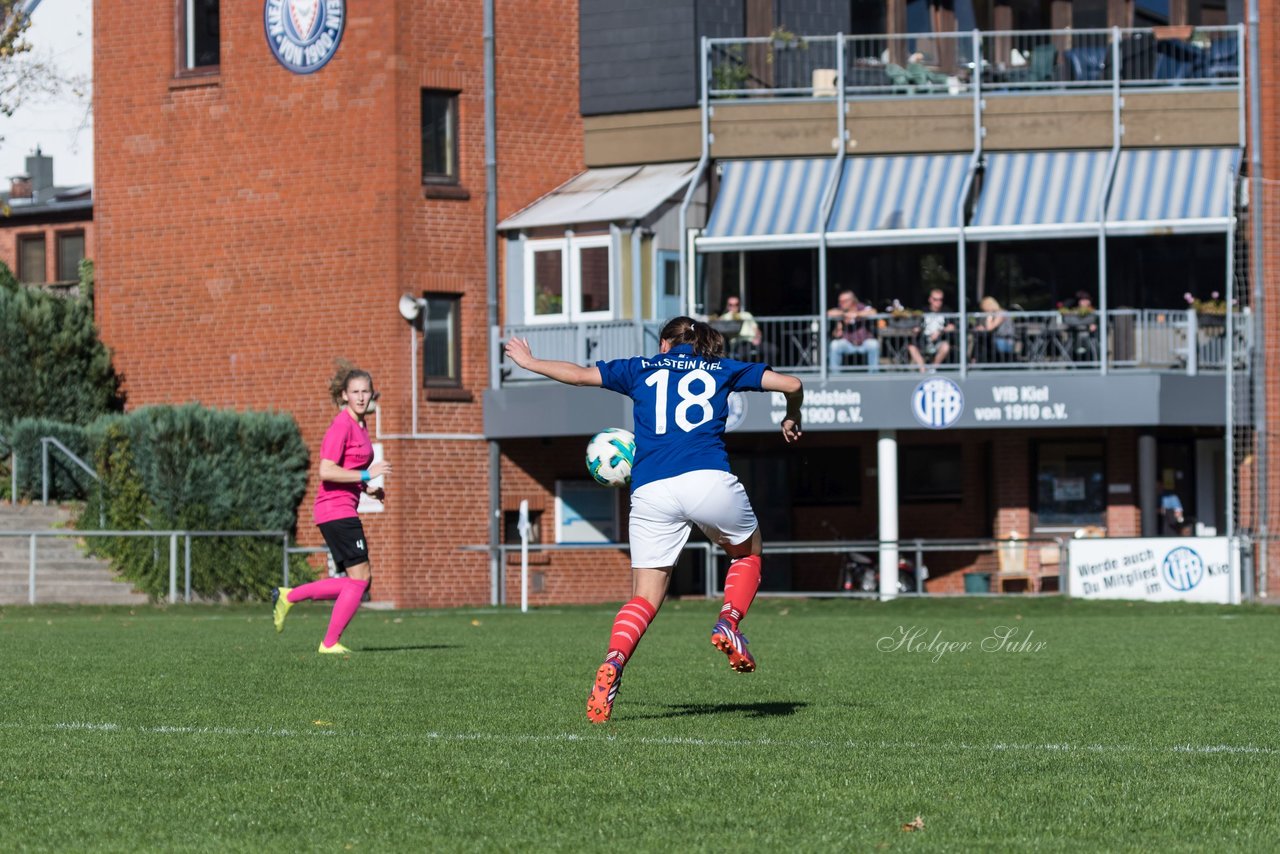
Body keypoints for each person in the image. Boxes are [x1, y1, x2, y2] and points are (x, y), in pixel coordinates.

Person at [504, 318, 804, 724]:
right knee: (748, 552)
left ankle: (613, 663)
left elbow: (576, 376)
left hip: (651, 491)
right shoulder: (722, 367)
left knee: (644, 596)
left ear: (664, 344)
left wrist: (530, 361)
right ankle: (729, 621)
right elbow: (792, 384)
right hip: (706, 478)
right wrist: (791, 416)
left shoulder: (640, 367)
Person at [271, 362, 393, 654]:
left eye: (366, 391)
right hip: (335, 510)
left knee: (357, 580)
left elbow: (348, 468)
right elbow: (327, 470)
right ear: (344, 395)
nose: (361, 397)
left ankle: (288, 596)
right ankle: (329, 642)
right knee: (360, 579)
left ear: (372, 395)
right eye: (355, 392)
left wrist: (368, 489)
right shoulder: (341, 425)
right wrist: (367, 474)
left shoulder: (361, 426)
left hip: (344, 508)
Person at [827, 289, 880, 372]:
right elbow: (829, 313)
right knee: (834, 345)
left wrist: (856, 315)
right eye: (840, 301)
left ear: (852, 301)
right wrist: (844, 314)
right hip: (848, 343)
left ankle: (873, 374)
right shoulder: (841, 309)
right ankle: (835, 374)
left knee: (873, 344)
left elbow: (873, 312)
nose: (841, 303)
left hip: (864, 342)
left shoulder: (861, 307)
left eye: (844, 301)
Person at [906, 289, 955, 372]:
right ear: (930, 299)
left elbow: (952, 326)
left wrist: (940, 331)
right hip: (924, 340)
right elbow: (917, 325)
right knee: (911, 347)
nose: (938, 302)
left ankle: (932, 369)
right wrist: (917, 329)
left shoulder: (947, 311)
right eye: (935, 299)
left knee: (946, 346)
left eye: (940, 299)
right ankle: (923, 369)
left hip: (940, 341)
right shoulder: (923, 311)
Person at [978, 295, 1015, 361]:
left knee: (982, 343)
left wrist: (989, 317)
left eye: (984, 310)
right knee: (979, 342)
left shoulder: (1002, 313)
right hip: (999, 339)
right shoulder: (998, 314)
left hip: (1005, 340)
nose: (984, 312)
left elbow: (990, 328)